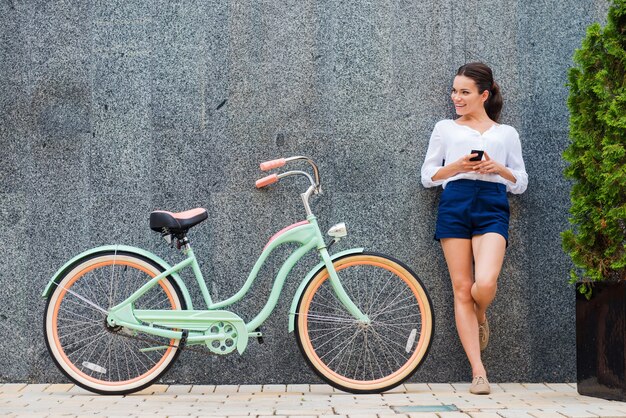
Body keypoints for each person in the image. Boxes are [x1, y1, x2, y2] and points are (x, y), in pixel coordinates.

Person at [420, 62, 528, 395]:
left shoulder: (506, 133)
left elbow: (521, 182)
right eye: (454, 91)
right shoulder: (445, 128)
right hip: (455, 201)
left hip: (493, 203)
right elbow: (427, 177)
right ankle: (478, 372)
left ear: (484, 94)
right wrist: (456, 166)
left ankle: (480, 314)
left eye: (464, 92)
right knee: (461, 287)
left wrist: (499, 169)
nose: (456, 97)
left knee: (485, 282)